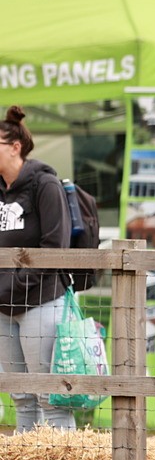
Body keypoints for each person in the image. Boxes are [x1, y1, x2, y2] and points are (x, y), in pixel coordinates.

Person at [0, 106, 76, 431]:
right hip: (3, 307)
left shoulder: (45, 185)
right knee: (21, 396)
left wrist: (12, 285)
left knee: (51, 397)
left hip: (39, 302)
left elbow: (54, 247)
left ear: (15, 146)